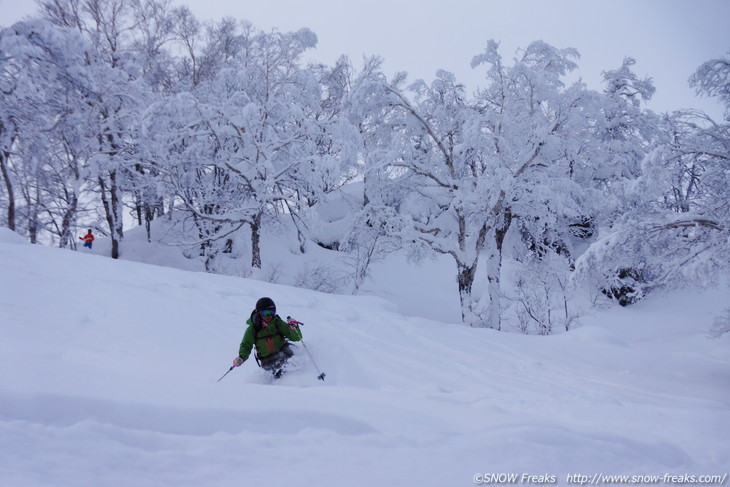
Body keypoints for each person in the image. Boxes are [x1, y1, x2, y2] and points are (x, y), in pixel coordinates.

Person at [232, 297, 302, 378]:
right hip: (268, 361)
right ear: (259, 313)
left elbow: (297, 338)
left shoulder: (277, 323)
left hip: (285, 353)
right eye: (265, 313)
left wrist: (294, 328)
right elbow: (246, 345)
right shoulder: (253, 329)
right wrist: (242, 357)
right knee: (281, 376)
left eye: (271, 312)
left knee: (298, 367)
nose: (268, 316)